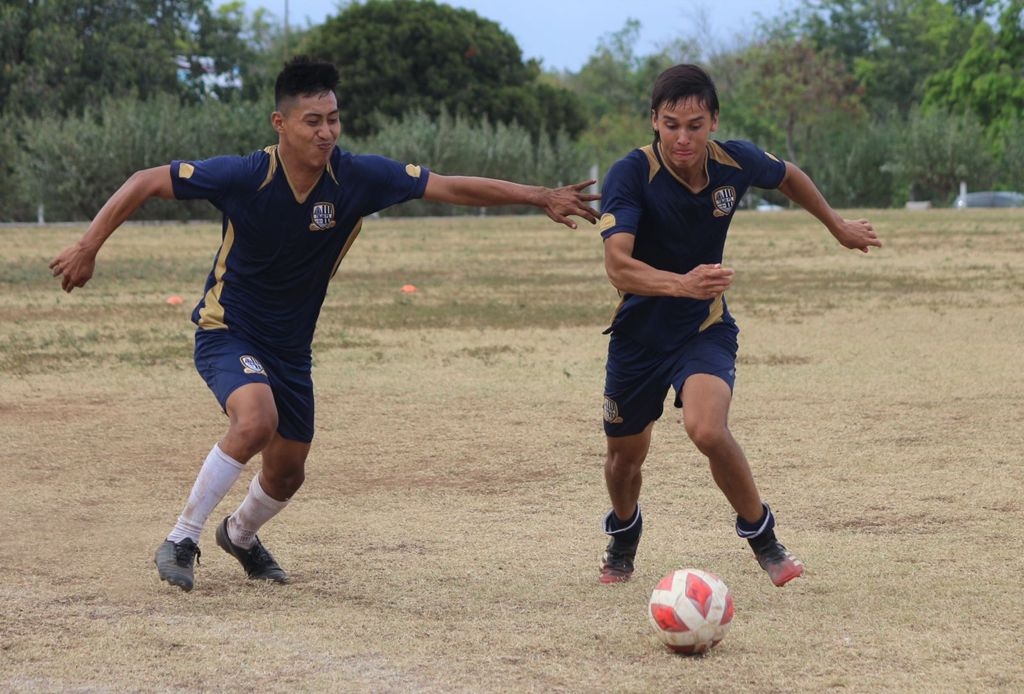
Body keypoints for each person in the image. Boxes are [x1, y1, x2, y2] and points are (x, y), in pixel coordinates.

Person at [50, 56, 599, 592]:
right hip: (228, 331)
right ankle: (181, 539)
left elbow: (449, 186)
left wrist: (539, 195)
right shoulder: (246, 176)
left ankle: (239, 536)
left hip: (290, 351)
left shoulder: (356, 178)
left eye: (333, 119)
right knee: (254, 420)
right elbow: (146, 180)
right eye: (313, 121)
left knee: (288, 474)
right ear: (281, 123)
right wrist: (87, 245)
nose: (326, 131)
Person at [596, 64, 881, 587]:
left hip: (703, 327)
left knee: (706, 428)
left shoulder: (735, 161)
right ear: (654, 122)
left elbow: (788, 174)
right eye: (671, 124)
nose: (683, 137)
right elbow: (618, 265)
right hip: (638, 338)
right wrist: (682, 282)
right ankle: (625, 531)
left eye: (696, 125)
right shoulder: (630, 174)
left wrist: (836, 225)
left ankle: (763, 537)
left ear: (713, 121)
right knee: (623, 459)